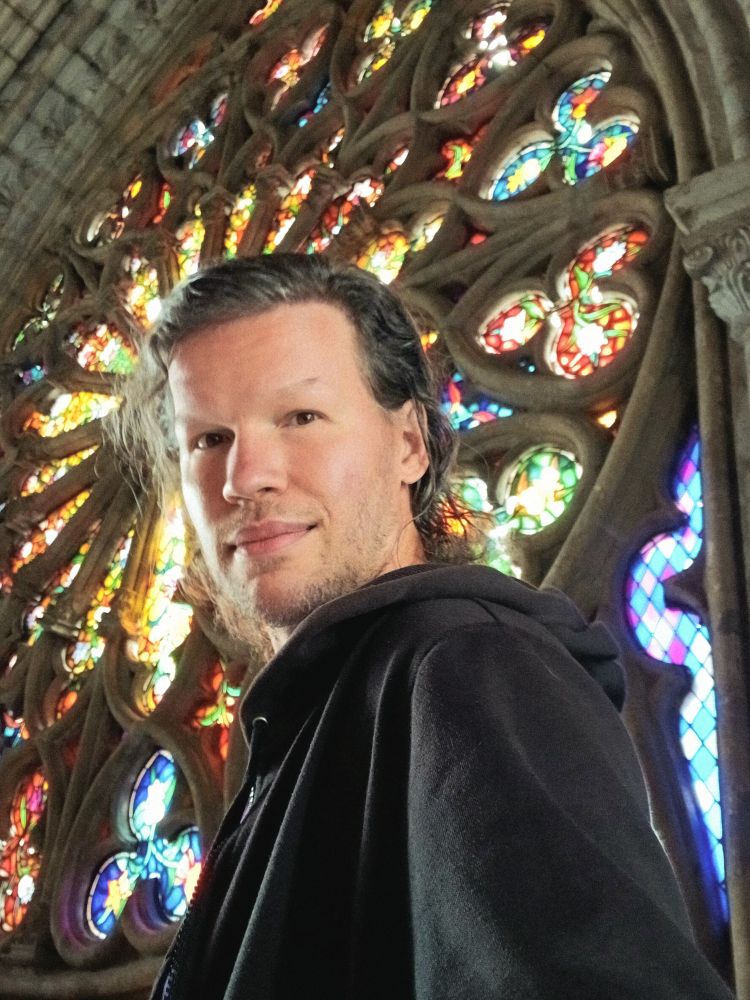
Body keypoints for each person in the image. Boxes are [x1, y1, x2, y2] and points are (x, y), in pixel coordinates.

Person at [110, 254, 734, 1000]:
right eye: (208, 440)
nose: (244, 478)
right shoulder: (327, 713)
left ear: (411, 444)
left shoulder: (470, 665)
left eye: (301, 417)